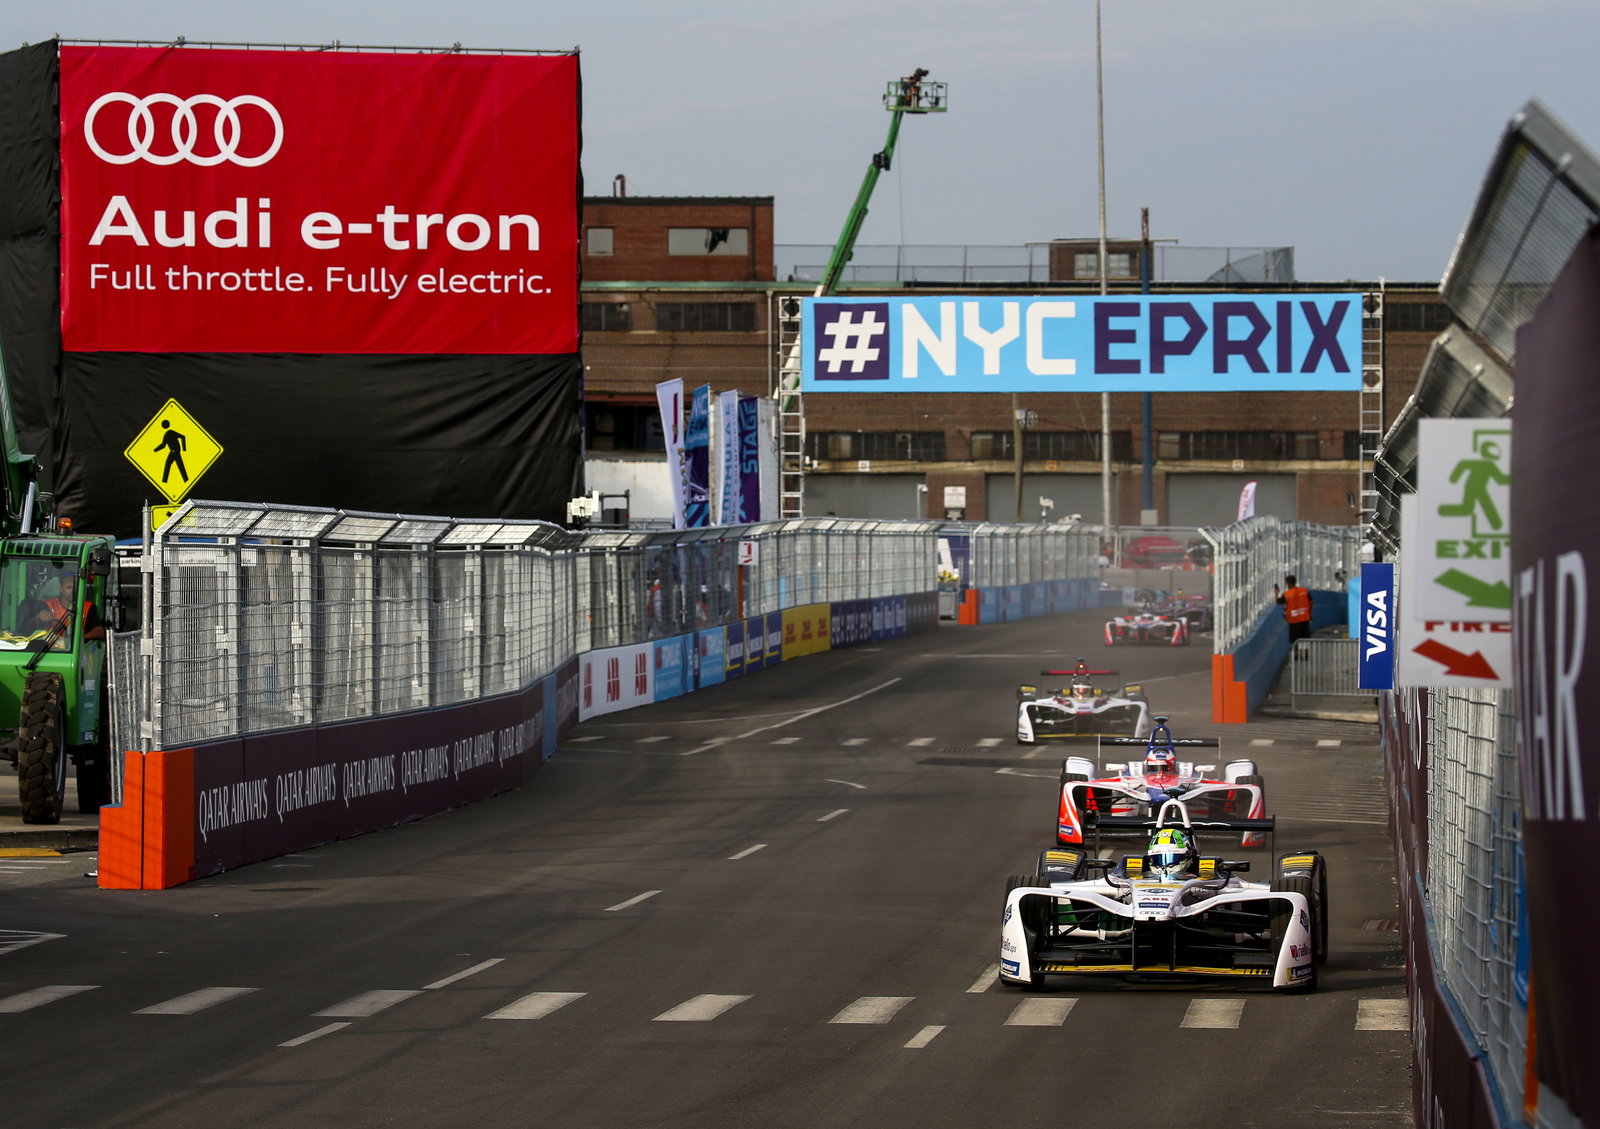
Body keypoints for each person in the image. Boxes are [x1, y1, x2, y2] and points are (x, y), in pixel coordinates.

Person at [39, 573, 104, 642]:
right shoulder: (47, 604)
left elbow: (99, 632)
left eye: (76, 587)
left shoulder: (87, 607)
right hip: (50, 649)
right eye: (69, 587)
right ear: (60, 589)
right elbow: (30, 626)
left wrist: (78, 640)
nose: (73, 591)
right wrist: (40, 615)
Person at [1275, 573, 1312, 651]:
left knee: (1295, 639)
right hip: (1304, 617)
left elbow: (1278, 602)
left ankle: (1296, 654)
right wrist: (1309, 613)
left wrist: (1276, 593)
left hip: (1294, 619)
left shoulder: (1287, 594)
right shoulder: (1304, 591)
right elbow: (1311, 602)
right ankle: (1305, 653)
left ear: (1288, 583)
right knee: (1305, 637)